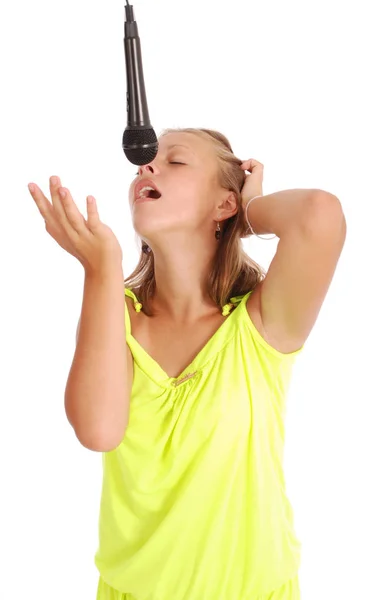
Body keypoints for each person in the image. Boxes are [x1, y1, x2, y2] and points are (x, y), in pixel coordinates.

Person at [28, 127, 346, 600]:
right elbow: (98, 430)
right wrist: (100, 268)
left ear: (224, 205)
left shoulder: (260, 324)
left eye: (174, 161)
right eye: (146, 163)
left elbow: (320, 214)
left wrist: (250, 208)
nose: (146, 167)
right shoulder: (116, 317)